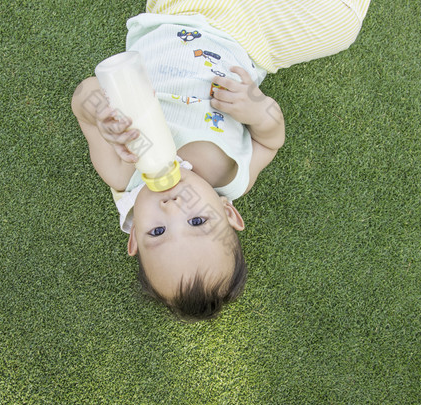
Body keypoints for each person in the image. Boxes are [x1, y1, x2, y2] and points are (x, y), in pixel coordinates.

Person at [71, 0, 371, 321]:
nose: (172, 207)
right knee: (343, 24)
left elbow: (84, 95)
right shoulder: (233, 176)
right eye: (197, 222)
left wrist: (101, 111)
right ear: (228, 213)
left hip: (177, 13)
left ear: (133, 237)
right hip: (252, 40)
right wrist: (257, 108)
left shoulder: (123, 170)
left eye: (157, 232)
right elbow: (271, 140)